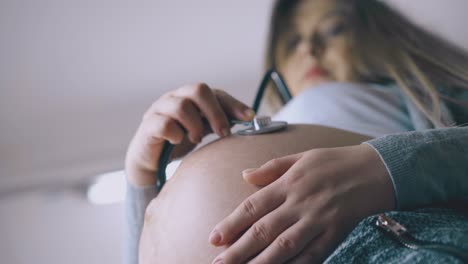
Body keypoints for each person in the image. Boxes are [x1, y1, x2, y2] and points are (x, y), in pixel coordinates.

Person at [124, 0, 468, 263]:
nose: (309, 49)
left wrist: (386, 169)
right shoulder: (279, 118)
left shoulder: (437, 96)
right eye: (293, 43)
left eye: (333, 30)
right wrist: (140, 177)